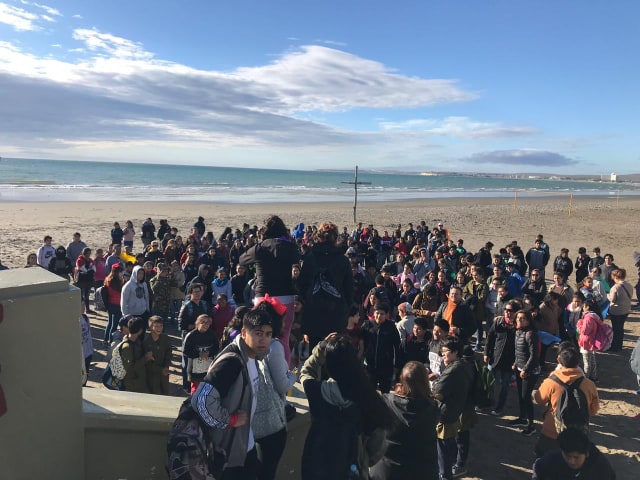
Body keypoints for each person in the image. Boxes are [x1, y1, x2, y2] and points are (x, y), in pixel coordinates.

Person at [191, 308, 277, 479]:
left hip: (245, 446)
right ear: (244, 332)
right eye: (258, 333)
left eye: (268, 334)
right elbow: (200, 400)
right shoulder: (231, 362)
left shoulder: (252, 358)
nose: (264, 339)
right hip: (227, 454)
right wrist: (230, 419)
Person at [300, 334, 393, 480]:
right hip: (353, 471)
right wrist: (363, 457)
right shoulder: (368, 398)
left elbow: (306, 372)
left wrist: (320, 349)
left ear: (329, 364)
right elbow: (376, 449)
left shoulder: (317, 391)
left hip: (317, 468)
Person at [240, 215, 300, 364]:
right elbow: (297, 261)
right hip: (286, 297)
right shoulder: (291, 247)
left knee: (259, 337)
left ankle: (258, 371)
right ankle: (283, 376)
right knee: (283, 339)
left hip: (263, 296)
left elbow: (242, 259)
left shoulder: (260, 248)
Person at [370, 361, 439, 480]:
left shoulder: (386, 402)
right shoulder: (433, 409)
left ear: (401, 380)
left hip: (387, 471)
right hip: (421, 472)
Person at [533, 342, 599, 458]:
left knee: (545, 460)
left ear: (559, 360)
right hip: (578, 431)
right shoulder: (589, 385)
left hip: (552, 429)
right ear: (578, 363)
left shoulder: (551, 381)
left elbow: (539, 400)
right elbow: (593, 411)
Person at [432, 337, 473, 480]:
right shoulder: (464, 364)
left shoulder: (453, 370)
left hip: (446, 413)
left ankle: (445, 475)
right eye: (442, 352)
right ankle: (455, 463)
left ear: (456, 352)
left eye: (446, 352)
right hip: (457, 410)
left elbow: (438, 390)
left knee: (442, 446)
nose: (443, 355)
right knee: (450, 442)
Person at [532, 428, 616, 480]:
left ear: (586, 454)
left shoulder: (601, 468)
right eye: (568, 456)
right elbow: (538, 467)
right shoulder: (553, 458)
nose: (571, 461)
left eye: (576, 457)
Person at [484, 299, 521, 416]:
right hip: (495, 357)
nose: (507, 312)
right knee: (488, 382)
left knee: (504, 386)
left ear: (515, 312)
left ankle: (499, 407)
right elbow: (490, 338)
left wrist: (517, 362)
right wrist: (486, 353)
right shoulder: (499, 322)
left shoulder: (518, 326)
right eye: (505, 310)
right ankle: (486, 402)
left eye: (510, 310)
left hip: (509, 361)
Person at [510, 310, 541, 437]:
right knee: (520, 395)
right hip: (519, 368)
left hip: (530, 371)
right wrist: (516, 363)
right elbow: (519, 351)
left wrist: (525, 369)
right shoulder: (518, 332)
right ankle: (522, 418)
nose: (519, 320)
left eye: (523, 318)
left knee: (526, 397)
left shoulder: (531, 334)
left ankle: (531, 425)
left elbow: (534, 356)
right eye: (518, 318)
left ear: (528, 320)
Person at [362, 303, 402, 393]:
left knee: (385, 392)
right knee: (369, 391)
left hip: (386, 366)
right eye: (377, 313)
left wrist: (397, 365)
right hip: (370, 366)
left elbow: (397, 346)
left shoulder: (391, 327)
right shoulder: (367, 325)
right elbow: (361, 341)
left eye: (382, 314)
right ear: (373, 313)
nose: (379, 316)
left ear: (386, 315)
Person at [183, 314, 220, 394]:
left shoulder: (212, 335)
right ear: (197, 323)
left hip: (208, 366)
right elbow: (186, 351)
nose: (205, 325)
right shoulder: (191, 336)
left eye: (207, 323)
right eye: (203, 322)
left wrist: (209, 353)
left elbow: (217, 348)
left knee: (207, 388)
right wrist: (199, 354)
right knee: (195, 390)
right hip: (194, 368)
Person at [144, 315, 172, 395]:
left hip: (163, 371)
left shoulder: (165, 338)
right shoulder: (146, 340)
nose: (159, 328)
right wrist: (160, 370)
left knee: (164, 392)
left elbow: (169, 353)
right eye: (156, 326)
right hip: (150, 373)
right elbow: (146, 361)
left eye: (161, 326)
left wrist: (166, 366)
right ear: (150, 327)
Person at [120, 317, 150, 393]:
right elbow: (130, 368)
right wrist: (146, 358)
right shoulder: (127, 347)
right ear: (140, 331)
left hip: (139, 380)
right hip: (133, 384)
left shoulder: (137, 341)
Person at [607, 268, 633, 351]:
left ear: (615, 277)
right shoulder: (629, 285)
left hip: (616, 311)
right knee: (620, 328)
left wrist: (607, 295)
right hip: (626, 309)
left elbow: (612, 299)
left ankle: (615, 346)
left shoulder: (615, 287)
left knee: (616, 329)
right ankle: (619, 345)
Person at [103, 264, 124, 345]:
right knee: (114, 324)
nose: (122, 273)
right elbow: (121, 291)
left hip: (110, 304)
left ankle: (105, 339)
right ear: (118, 272)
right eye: (121, 271)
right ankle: (111, 341)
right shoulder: (115, 281)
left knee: (110, 323)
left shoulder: (108, 278)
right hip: (116, 304)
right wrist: (123, 281)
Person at [75, 247, 96, 313]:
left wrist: (89, 271)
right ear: (84, 253)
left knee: (87, 296)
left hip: (88, 280)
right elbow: (84, 270)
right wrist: (89, 270)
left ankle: (87, 309)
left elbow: (94, 269)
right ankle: (80, 309)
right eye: (87, 253)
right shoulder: (80, 260)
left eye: (89, 253)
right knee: (81, 296)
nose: (88, 255)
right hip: (81, 280)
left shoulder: (90, 260)